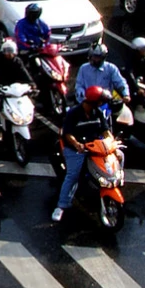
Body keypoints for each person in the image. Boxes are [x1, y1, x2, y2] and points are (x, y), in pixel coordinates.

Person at [54, 85, 116, 221]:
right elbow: (68, 134)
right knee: (73, 176)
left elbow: (105, 131)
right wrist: (77, 145)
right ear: (94, 102)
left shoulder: (98, 112)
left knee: (119, 157)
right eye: (100, 101)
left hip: (95, 147)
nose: (101, 104)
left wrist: (109, 140)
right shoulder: (74, 113)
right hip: (76, 149)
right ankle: (61, 205)